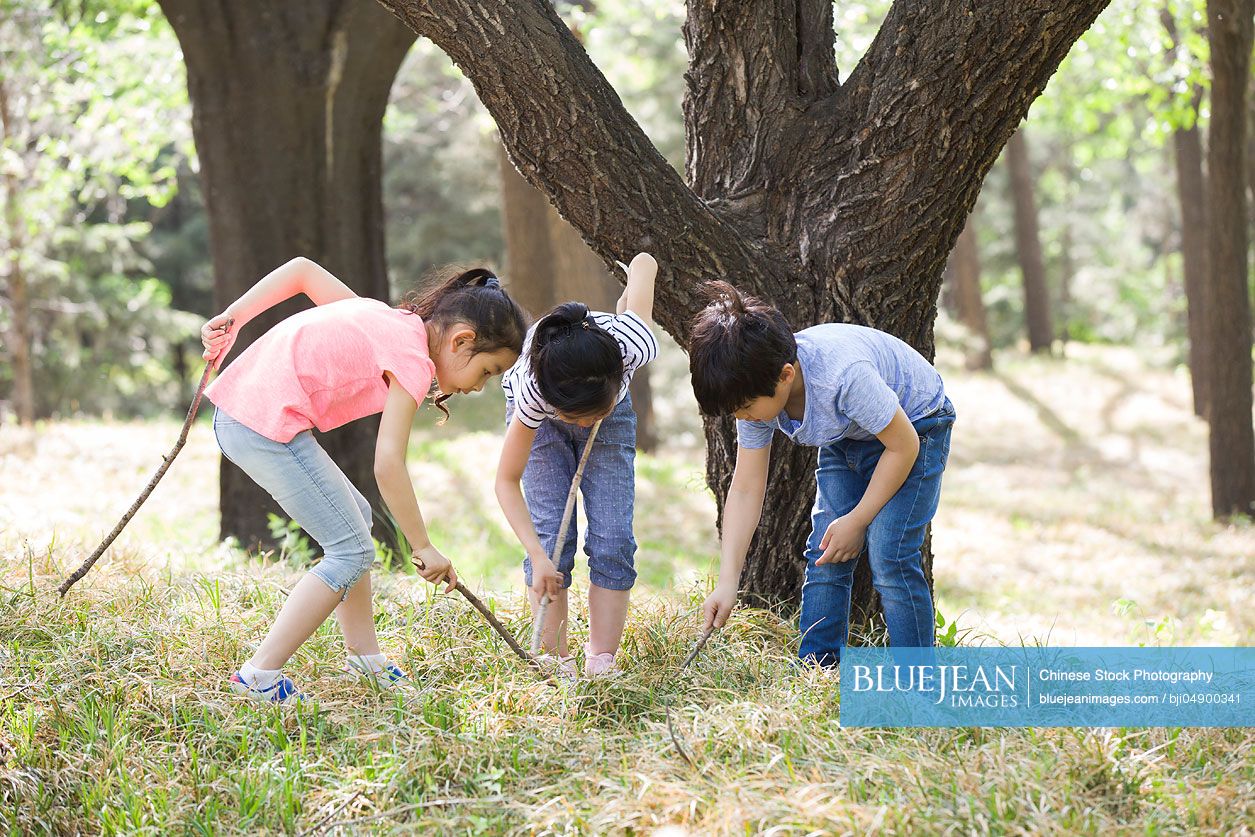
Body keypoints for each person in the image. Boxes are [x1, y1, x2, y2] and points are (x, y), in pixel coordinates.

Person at [200, 256, 527, 702]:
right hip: (259, 426)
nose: (478, 386)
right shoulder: (413, 361)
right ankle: (257, 676)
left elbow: (301, 271)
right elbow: (388, 463)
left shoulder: (382, 317)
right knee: (350, 549)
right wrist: (423, 546)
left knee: (356, 519)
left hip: (251, 415)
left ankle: (364, 657)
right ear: (461, 340)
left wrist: (233, 319)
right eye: (487, 371)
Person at [690, 281, 956, 667]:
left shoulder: (843, 377)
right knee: (825, 551)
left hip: (917, 427)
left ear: (785, 376)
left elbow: (904, 446)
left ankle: (916, 679)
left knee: (890, 554)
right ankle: (818, 666)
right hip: (850, 434)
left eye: (746, 408)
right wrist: (728, 582)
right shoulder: (752, 389)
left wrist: (859, 519)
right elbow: (746, 487)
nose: (742, 418)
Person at [494, 253, 659, 678]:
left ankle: (601, 660)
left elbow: (645, 265)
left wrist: (633, 269)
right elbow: (506, 480)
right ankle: (554, 659)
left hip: (614, 418)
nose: (584, 426)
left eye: (588, 414)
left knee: (614, 539)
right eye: (578, 419)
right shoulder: (533, 393)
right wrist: (537, 555)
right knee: (550, 543)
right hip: (544, 426)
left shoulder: (634, 345)